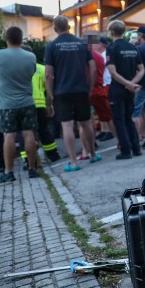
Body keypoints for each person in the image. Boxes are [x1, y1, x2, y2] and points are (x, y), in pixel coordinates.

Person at [44, 15, 99, 172]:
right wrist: (90, 87)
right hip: (81, 89)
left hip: (61, 91)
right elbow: (93, 67)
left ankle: (74, 162)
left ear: (55, 29)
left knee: (66, 125)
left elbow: (49, 74)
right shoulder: (82, 44)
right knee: (85, 123)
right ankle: (93, 155)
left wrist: (51, 94)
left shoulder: (52, 46)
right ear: (69, 26)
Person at [0, 26, 38, 183]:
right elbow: (31, 73)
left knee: (9, 136)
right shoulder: (30, 56)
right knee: (29, 134)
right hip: (27, 101)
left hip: (6, 104)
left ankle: (8, 172)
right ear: (21, 38)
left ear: (6, 38)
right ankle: (32, 169)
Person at [106, 20, 144, 159]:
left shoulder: (112, 48)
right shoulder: (132, 47)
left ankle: (125, 151)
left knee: (118, 120)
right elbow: (141, 69)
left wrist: (127, 83)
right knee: (129, 118)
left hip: (117, 89)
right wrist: (132, 83)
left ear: (112, 32)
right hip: (130, 90)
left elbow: (113, 72)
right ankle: (136, 148)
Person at [19, 45, 61, 165]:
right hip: (39, 104)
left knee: (25, 133)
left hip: (23, 104)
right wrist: (50, 104)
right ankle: (53, 155)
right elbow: (48, 89)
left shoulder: (16, 69)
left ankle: (27, 160)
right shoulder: (41, 68)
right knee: (44, 130)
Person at [87, 35, 116, 143]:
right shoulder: (99, 56)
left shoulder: (90, 56)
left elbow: (94, 71)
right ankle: (119, 141)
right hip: (100, 87)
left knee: (89, 119)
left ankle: (91, 145)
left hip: (96, 87)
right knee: (105, 115)